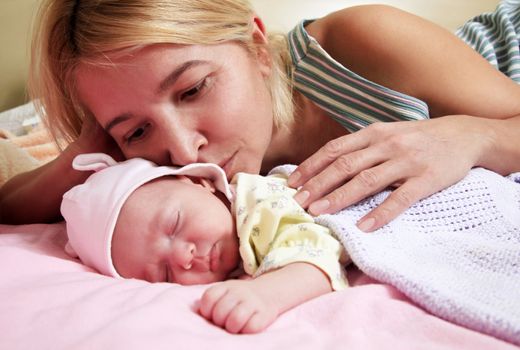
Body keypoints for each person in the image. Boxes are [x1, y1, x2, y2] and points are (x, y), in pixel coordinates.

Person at [2, 1, 520, 232]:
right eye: (138, 128)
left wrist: (466, 138)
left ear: (256, 48)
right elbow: (9, 207)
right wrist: (104, 135)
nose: (182, 151)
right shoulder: (153, 161)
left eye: (192, 89)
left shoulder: (360, 41)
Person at [61, 153, 349, 334]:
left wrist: (266, 294)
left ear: (198, 182)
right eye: (165, 274)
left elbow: (318, 254)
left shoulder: (262, 203)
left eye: (174, 225)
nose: (183, 258)